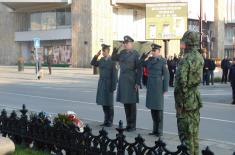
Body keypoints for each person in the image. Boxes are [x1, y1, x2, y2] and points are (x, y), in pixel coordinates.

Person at [174, 31, 204, 155]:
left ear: (188, 42)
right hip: (194, 100)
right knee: (194, 134)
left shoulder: (186, 59)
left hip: (185, 102)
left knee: (185, 135)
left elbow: (182, 83)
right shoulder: (199, 56)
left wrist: (179, 104)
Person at [111, 35, 142, 132]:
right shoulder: (122, 53)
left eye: (127, 43)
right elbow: (113, 58)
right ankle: (128, 124)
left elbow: (139, 69)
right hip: (123, 80)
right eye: (124, 43)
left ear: (131, 44)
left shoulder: (135, 54)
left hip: (132, 80)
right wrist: (116, 49)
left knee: (131, 104)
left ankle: (133, 125)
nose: (125, 44)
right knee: (125, 103)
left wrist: (137, 82)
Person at [140, 43, 169, 137]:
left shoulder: (162, 61)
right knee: (153, 108)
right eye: (152, 50)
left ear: (158, 51)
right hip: (150, 86)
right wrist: (144, 56)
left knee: (159, 109)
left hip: (158, 86)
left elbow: (166, 75)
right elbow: (141, 63)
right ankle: (154, 129)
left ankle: (160, 130)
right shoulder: (149, 60)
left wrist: (165, 88)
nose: (152, 52)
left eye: (154, 50)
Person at [91, 44, 118, 127]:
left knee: (109, 103)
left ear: (108, 51)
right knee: (103, 102)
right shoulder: (101, 60)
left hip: (109, 83)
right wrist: (96, 55)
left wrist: (113, 86)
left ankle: (110, 121)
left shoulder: (113, 61)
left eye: (104, 51)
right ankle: (105, 120)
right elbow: (93, 63)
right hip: (102, 83)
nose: (103, 52)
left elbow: (115, 75)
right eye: (102, 51)